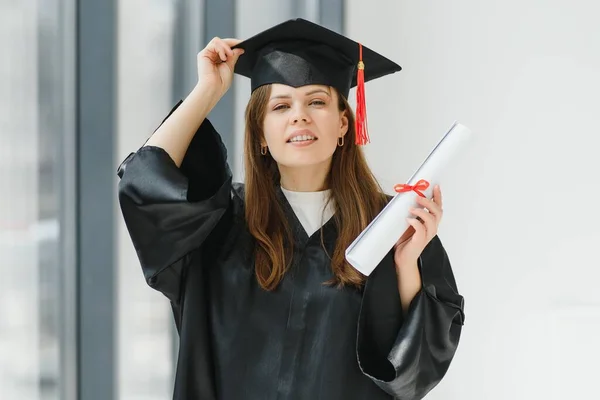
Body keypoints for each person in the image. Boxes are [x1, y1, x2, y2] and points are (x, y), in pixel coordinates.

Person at [117, 18, 465, 400]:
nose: (300, 115)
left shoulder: (390, 228)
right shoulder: (220, 224)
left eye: (317, 101)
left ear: (343, 124)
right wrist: (207, 92)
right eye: (280, 106)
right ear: (261, 135)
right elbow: (145, 188)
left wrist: (406, 265)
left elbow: (415, 374)